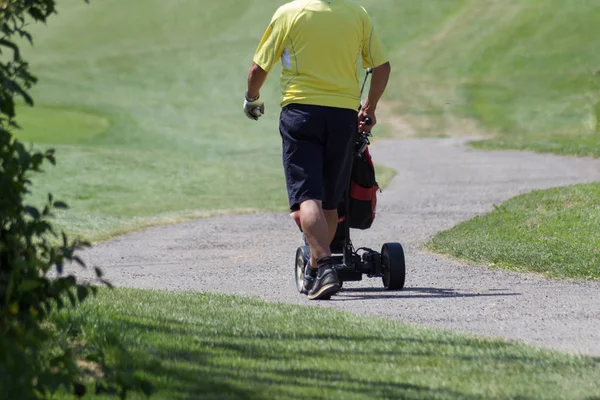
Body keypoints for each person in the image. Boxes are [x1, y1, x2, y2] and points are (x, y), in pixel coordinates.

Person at [243, 0, 390, 300]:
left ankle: (323, 266)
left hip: (301, 115)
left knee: (307, 198)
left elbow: (259, 68)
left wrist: (252, 98)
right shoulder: (356, 13)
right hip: (342, 117)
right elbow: (381, 67)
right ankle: (316, 265)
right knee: (330, 206)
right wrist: (370, 108)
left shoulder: (289, 13)